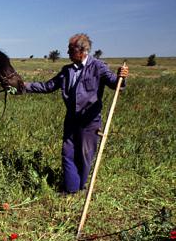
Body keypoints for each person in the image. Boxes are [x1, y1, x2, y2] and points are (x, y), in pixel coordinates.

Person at [22, 33, 129, 194]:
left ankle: (80, 185)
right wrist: (24, 86)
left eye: (70, 50)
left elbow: (116, 84)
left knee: (85, 155)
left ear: (82, 51)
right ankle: (71, 189)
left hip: (90, 121)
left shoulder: (98, 66)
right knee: (67, 153)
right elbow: (48, 86)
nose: (68, 53)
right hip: (71, 119)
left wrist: (122, 76)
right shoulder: (67, 71)